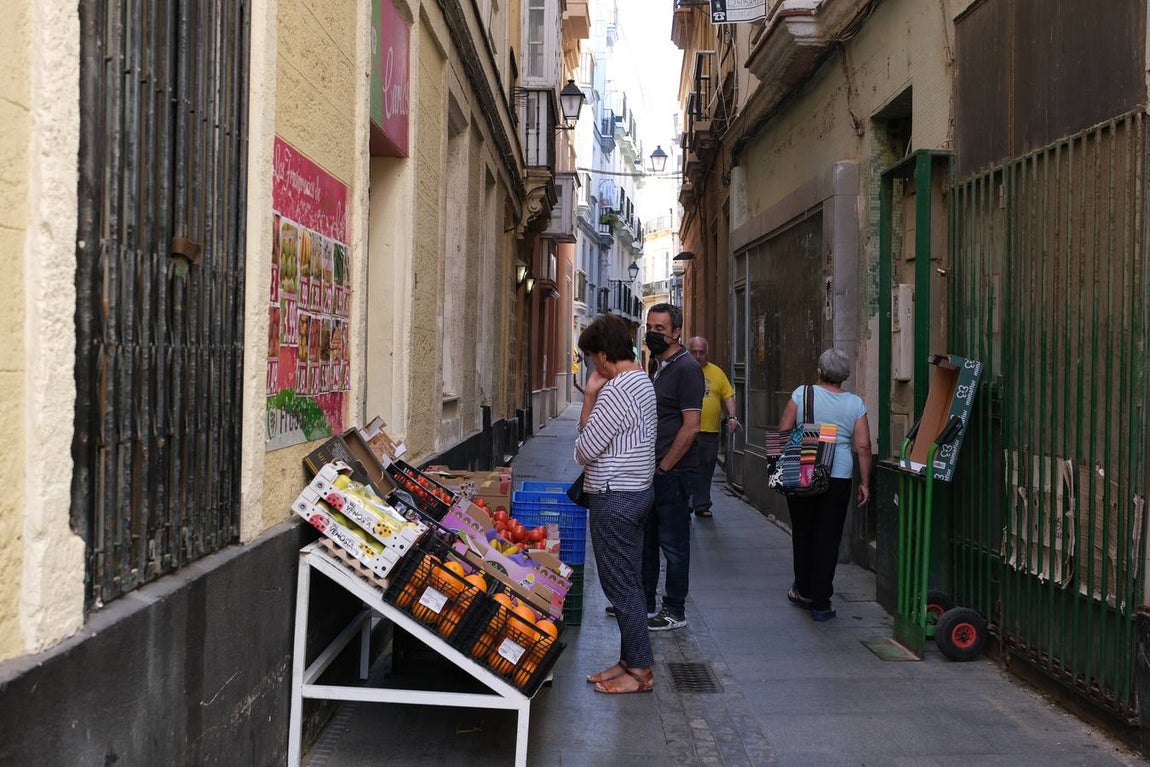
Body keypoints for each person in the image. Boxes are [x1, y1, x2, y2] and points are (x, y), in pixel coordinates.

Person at [575, 314, 658, 693]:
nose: (592, 366)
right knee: (632, 582)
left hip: (615, 497)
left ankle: (640, 672)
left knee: (620, 585)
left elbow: (584, 449)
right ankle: (629, 661)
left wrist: (590, 395)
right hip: (638, 493)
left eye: (592, 358)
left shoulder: (617, 390)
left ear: (605, 355)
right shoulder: (642, 381)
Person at [777, 348, 872, 622]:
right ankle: (821, 602)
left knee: (803, 531)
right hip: (839, 475)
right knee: (828, 537)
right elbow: (863, 446)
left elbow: (784, 429)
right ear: (845, 376)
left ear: (819, 371)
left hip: (804, 468)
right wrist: (864, 482)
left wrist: (781, 464)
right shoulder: (855, 403)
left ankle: (803, 591)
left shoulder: (802, 394)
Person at [641, 303, 704, 631]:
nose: (653, 333)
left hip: (674, 472)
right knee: (648, 540)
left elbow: (691, 426)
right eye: (650, 327)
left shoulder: (686, 369)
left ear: (676, 332)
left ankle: (675, 610)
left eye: (660, 329)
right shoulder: (657, 364)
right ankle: (645, 603)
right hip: (653, 471)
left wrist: (664, 467)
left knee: (675, 543)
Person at [686, 336, 739, 518]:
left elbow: (728, 396)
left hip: (709, 432)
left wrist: (732, 417)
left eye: (701, 352)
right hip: (686, 430)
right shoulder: (683, 371)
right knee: (686, 469)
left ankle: (701, 505)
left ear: (706, 353)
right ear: (688, 351)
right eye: (694, 352)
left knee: (706, 469)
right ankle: (685, 505)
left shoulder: (717, 373)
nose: (698, 356)